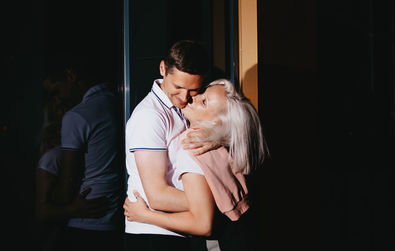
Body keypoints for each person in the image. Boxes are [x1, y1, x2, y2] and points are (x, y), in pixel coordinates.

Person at [124, 79, 268, 251]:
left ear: (217, 122)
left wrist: (145, 215)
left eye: (204, 102)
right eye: (202, 93)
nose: (193, 98)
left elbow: (202, 224)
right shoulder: (221, 145)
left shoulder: (192, 148)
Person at [124, 40, 215, 251]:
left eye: (194, 90)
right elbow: (157, 196)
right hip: (153, 235)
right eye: (178, 87)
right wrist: (212, 201)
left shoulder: (185, 109)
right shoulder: (150, 116)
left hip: (180, 230)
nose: (184, 98)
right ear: (163, 68)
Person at [48, 56, 125, 251]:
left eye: (57, 90)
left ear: (71, 75)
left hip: (85, 221)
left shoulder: (77, 115)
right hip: (116, 219)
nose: (58, 99)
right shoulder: (119, 102)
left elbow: (65, 190)